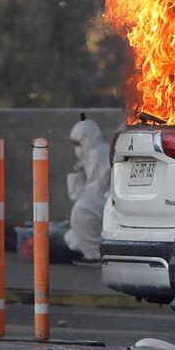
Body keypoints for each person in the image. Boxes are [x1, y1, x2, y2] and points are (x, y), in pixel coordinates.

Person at [64, 114, 112, 265]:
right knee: (71, 237)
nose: (76, 148)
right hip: (103, 204)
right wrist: (77, 174)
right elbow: (77, 196)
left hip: (110, 203)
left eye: (78, 143)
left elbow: (91, 195)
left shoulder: (98, 154)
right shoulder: (90, 157)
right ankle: (105, 250)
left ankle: (95, 256)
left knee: (82, 209)